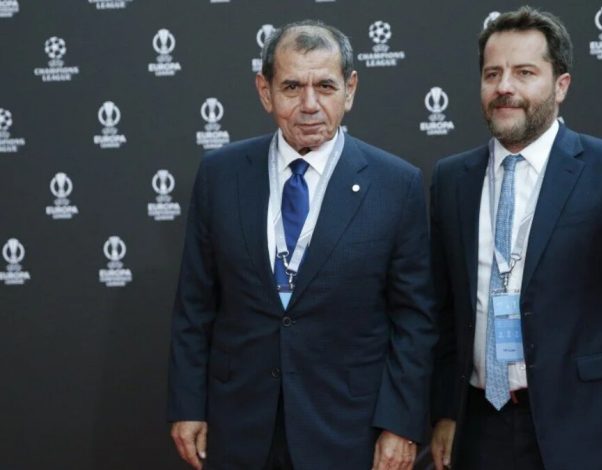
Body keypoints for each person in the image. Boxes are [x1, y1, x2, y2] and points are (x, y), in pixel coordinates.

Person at [167, 20, 436, 470]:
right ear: (265, 91)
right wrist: (187, 404)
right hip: (239, 425)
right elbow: (195, 305)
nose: (309, 105)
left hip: (348, 430)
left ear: (350, 90)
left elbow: (414, 319)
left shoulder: (396, 184)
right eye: (292, 87)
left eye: (325, 86)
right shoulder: (221, 174)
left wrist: (401, 423)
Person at [429, 7, 602, 470]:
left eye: (524, 73)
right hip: (479, 427)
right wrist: (446, 411)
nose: (504, 87)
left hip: (584, 425)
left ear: (560, 85)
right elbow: (445, 312)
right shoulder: (452, 179)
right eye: (492, 74)